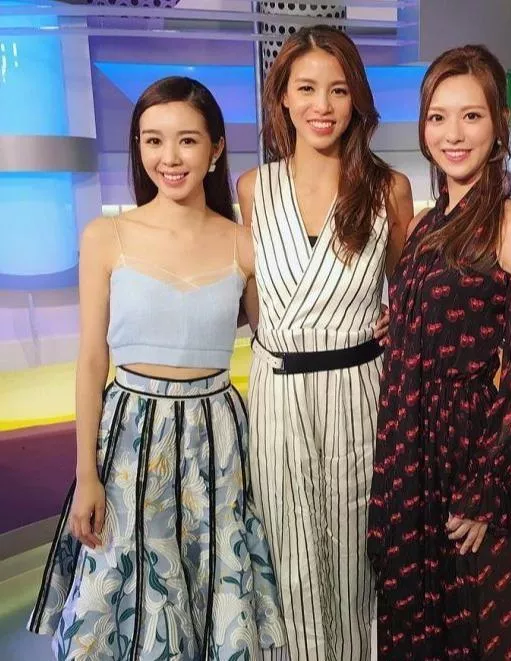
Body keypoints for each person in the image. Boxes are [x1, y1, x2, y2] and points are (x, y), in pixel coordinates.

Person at [27, 76, 286, 660]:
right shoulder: (106, 236)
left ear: (216, 148)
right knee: (125, 608)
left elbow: (280, 337)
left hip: (218, 441)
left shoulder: (245, 243)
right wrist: (86, 476)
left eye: (187, 140)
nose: (169, 157)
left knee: (215, 595)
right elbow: (91, 361)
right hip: (128, 440)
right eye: (153, 140)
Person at [367, 45, 511, 660]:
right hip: (410, 449)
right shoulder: (425, 226)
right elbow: (432, 322)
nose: (453, 134)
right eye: (438, 117)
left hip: (471, 454)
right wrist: (399, 327)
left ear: (498, 124)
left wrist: (489, 488)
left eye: (471, 116)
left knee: (483, 626)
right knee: (418, 625)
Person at [237, 24, 413, 661]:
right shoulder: (253, 188)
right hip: (278, 396)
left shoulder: (389, 188)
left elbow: (410, 293)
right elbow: (255, 300)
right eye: (307, 88)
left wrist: (398, 320)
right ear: (282, 96)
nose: (322, 105)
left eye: (338, 90)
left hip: (362, 394)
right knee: (287, 557)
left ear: (356, 99)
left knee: (359, 559)